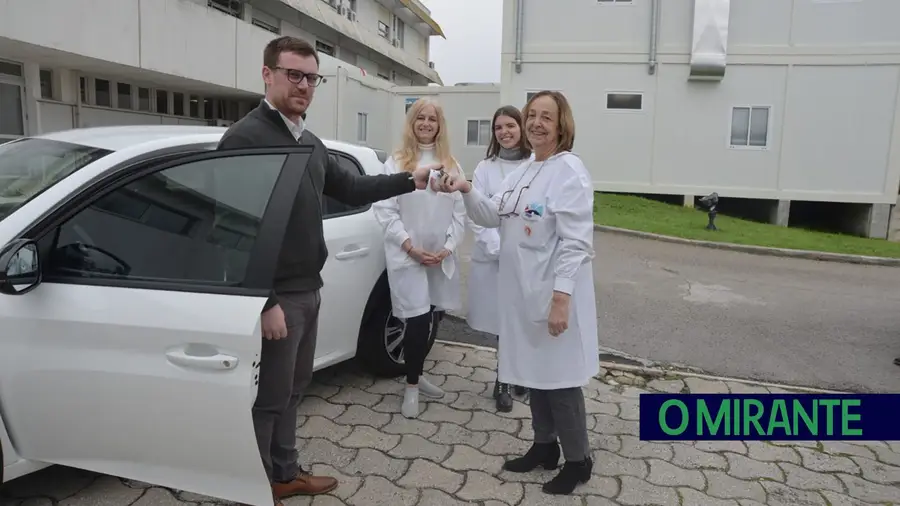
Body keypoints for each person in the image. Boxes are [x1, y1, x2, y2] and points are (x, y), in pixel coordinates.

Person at [216, 36, 436, 506]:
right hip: (276, 297)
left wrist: (408, 180)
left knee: (295, 388)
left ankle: (285, 473)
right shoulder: (245, 139)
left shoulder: (310, 143)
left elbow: (353, 188)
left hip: (308, 288)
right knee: (271, 397)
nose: (304, 85)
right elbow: (230, 231)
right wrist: (265, 300)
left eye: (311, 77)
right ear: (267, 74)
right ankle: (254, 487)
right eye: (294, 74)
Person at [435, 90, 598, 496]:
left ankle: (579, 460)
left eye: (547, 117)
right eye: (532, 115)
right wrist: (464, 189)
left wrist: (562, 298)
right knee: (533, 372)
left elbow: (576, 242)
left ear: (562, 125)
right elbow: (492, 213)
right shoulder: (525, 170)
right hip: (523, 293)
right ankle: (545, 447)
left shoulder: (569, 171)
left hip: (552, 293)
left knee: (560, 379)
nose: (537, 123)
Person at [372, 97, 466, 419]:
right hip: (408, 255)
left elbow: (460, 212)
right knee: (415, 318)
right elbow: (384, 209)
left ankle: (417, 371)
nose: (426, 124)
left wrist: (448, 248)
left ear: (440, 125)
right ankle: (411, 386)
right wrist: (409, 245)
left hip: (437, 258)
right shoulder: (397, 163)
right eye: (420, 118)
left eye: (433, 119)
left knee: (431, 317)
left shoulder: (450, 163)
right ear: (412, 123)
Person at [467, 105, 531, 412]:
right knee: (502, 322)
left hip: (528, 258)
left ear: (521, 128)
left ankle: (523, 375)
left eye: (510, 126)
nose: (504, 132)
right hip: (494, 258)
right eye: (498, 128)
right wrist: (497, 249)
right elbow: (477, 213)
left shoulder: (536, 164)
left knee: (523, 319)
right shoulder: (485, 169)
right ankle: (503, 379)